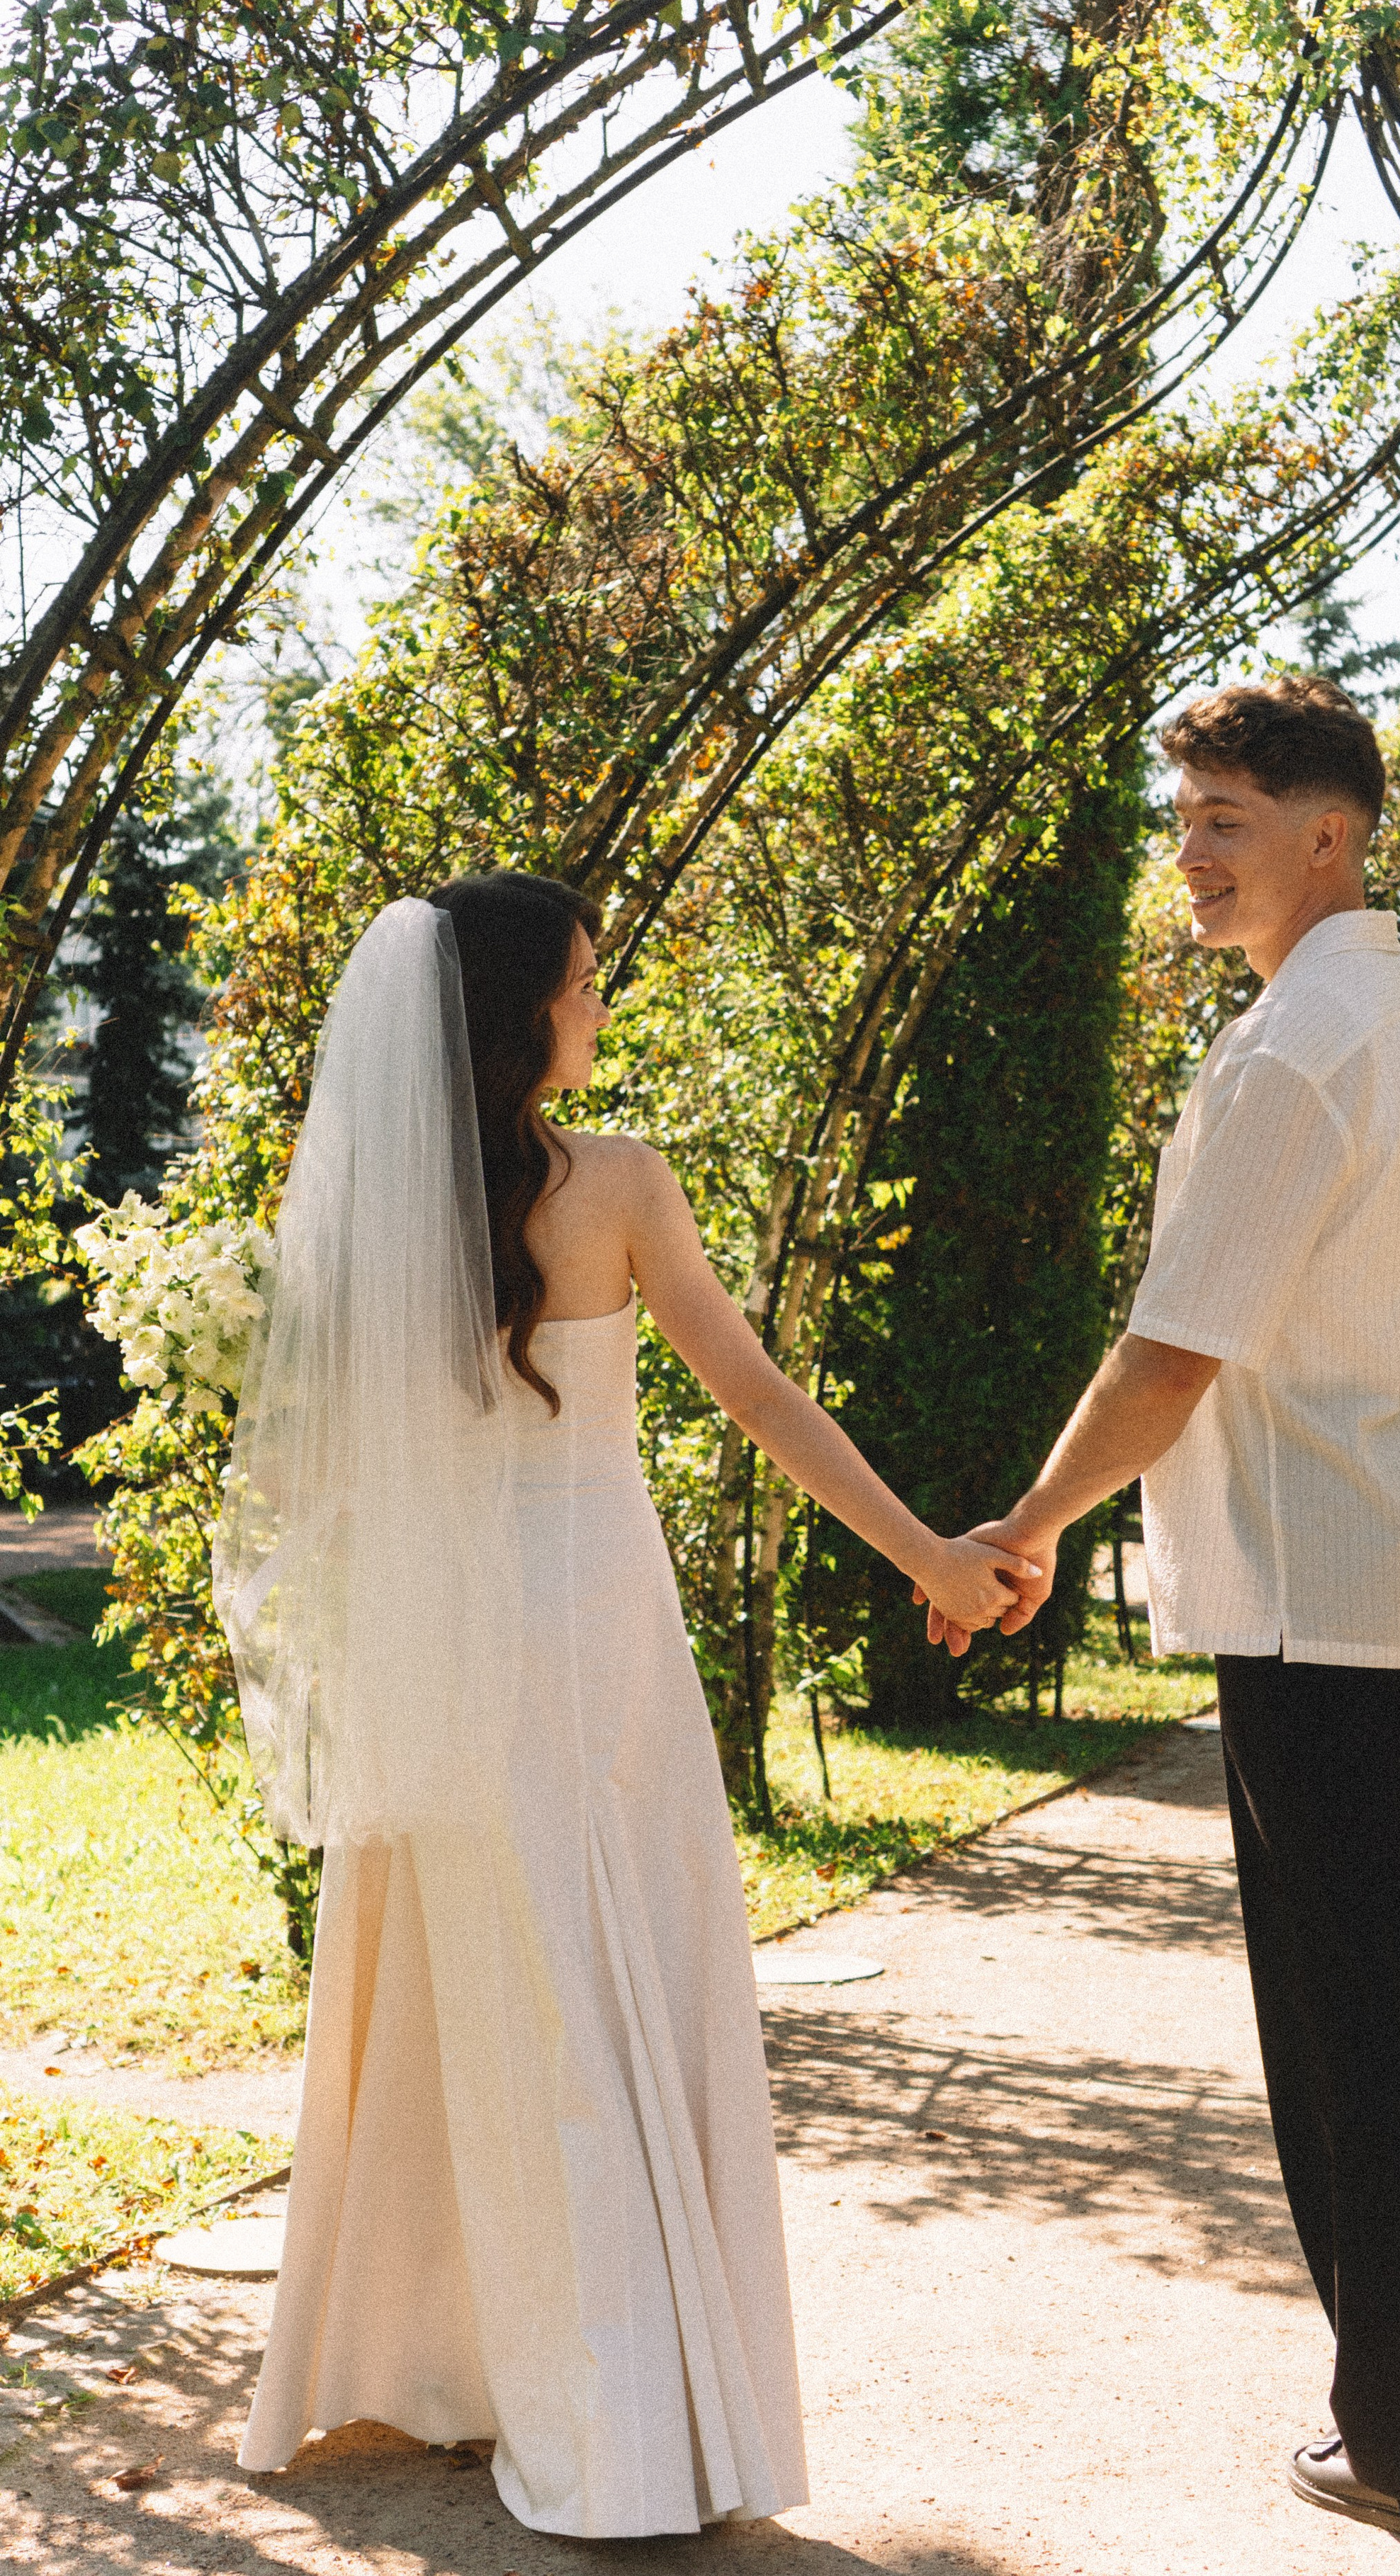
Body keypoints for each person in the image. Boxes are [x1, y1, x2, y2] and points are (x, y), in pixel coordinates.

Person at [218, 872, 1034, 2538]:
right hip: (588, 1633)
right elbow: (757, 1398)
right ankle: (620, 2418)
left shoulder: (367, 1207)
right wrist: (934, 1560)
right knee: (601, 1991)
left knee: (473, 1988)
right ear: (523, 1016)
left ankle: (447, 2356)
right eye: (585, 985)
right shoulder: (619, 1188)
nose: (600, 1009)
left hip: (444, 1640)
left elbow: (320, 1471)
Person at [927, 675, 1400, 2546]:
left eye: (1224, 821)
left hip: (1323, 1603)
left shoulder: (1296, 1053)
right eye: (1183, 818)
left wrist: (1030, 1519)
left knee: (1352, 2027)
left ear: (1331, 834)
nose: (1187, 857)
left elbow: (1177, 1351)